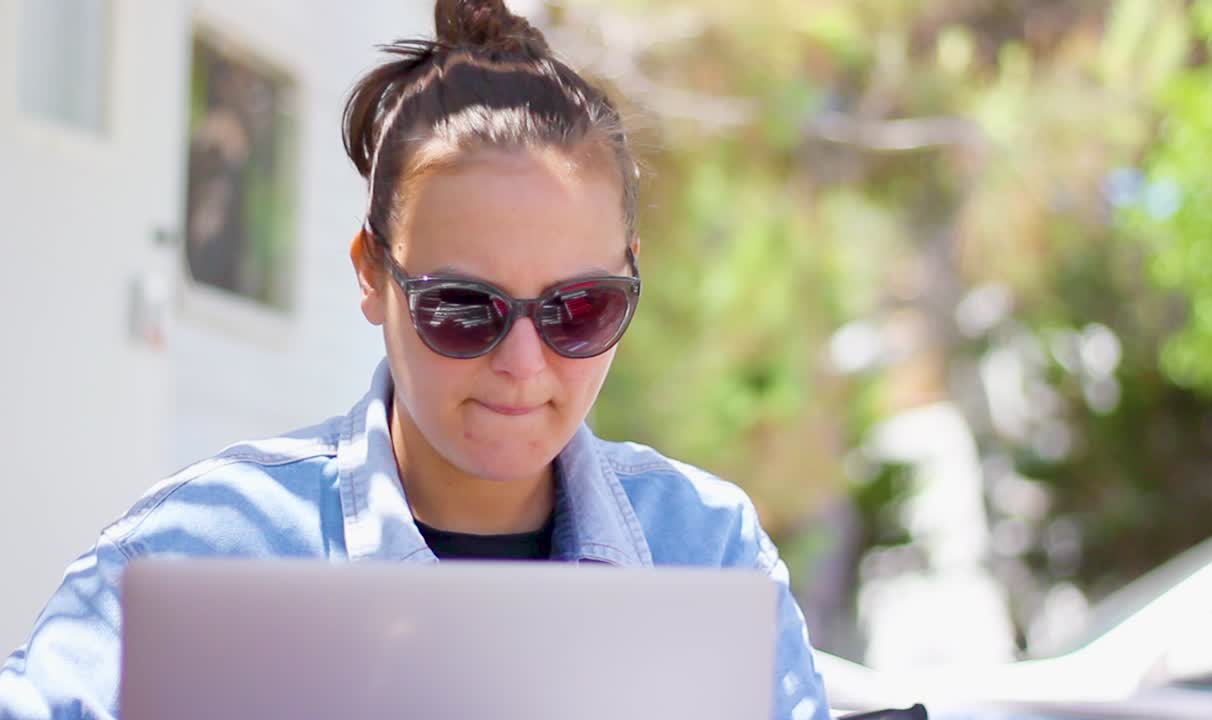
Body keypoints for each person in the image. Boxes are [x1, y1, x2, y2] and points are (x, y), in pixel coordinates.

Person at [0, 1, 832, 718]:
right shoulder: (204, 545)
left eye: (580, 310)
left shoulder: (704, 549)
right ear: (371, 273)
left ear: (631, 275)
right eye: (463, 310)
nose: (523, 364)